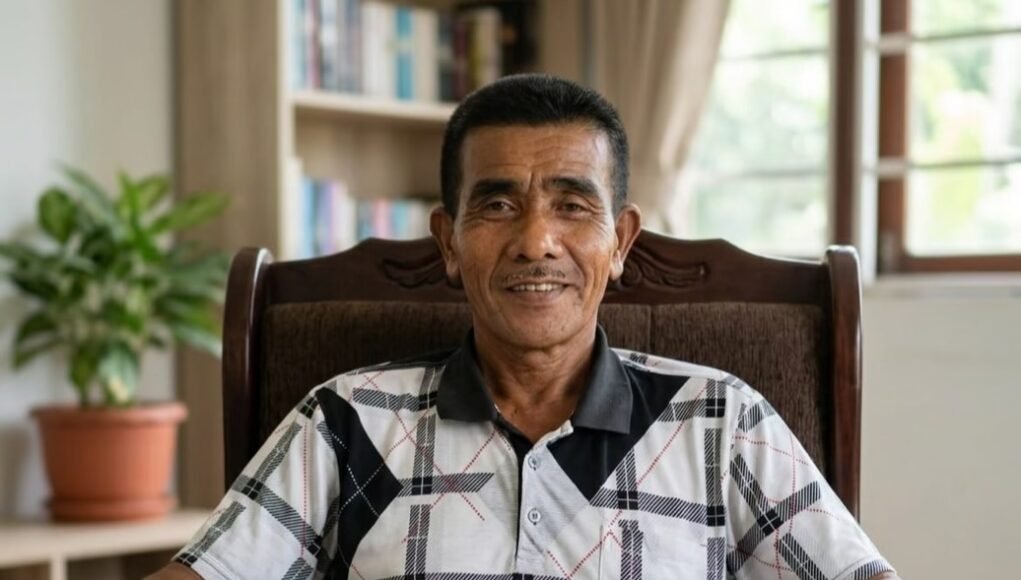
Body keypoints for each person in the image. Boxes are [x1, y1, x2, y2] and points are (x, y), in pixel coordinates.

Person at [150, 75, 898, 580]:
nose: (536, 241)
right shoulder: (345, 420)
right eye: (498, 205)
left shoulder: (722, 420)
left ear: (621, 242)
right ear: (448, 242)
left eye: (572, 205)